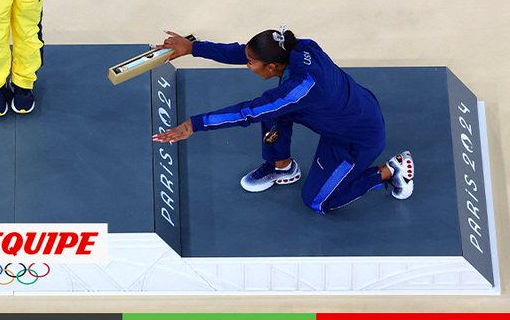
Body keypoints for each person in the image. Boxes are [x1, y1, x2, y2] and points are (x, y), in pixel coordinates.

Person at [152, 27, 414, 214]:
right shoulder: (298, 47)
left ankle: (390, 171)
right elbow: (242, 52)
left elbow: (248, 112)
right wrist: (194, 48)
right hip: (356, 107)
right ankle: (283, 166)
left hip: (356, 139)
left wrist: (194, 125)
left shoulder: (299, 89)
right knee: (275, 110)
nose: (248, 66)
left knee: (318, 202)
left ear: (272, 67)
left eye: (251, 63)